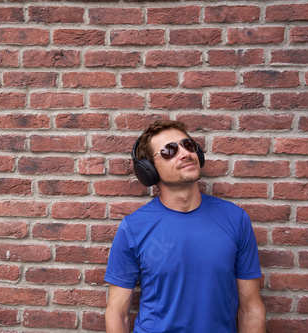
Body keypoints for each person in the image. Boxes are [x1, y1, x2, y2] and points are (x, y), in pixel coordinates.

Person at [104, 120, 265, 333]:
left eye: (188, 145)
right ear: (149, 170)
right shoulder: (133, 228)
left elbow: (250, 308)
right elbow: (118, 313)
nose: (185, 153)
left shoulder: (235, 219)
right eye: (169, 151)